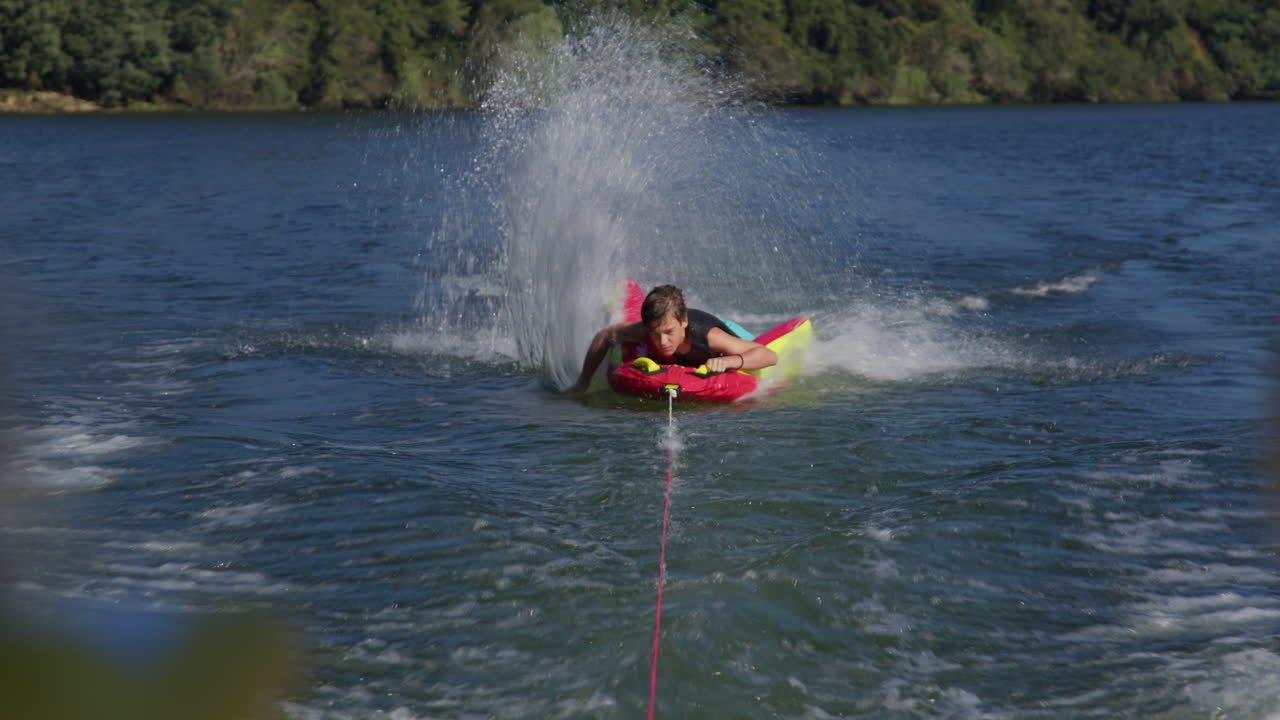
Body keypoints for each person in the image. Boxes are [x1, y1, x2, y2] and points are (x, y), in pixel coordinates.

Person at [565, 284, 777, 395]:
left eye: (668, 332)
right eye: (655, 334)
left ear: (683, 321)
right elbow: (605, 336)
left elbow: (768, 355)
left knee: (739, 339)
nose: (662, 341)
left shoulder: (709, 337)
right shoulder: (645, 329)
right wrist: (583, 382)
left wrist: (731, 361)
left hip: (722, 328)